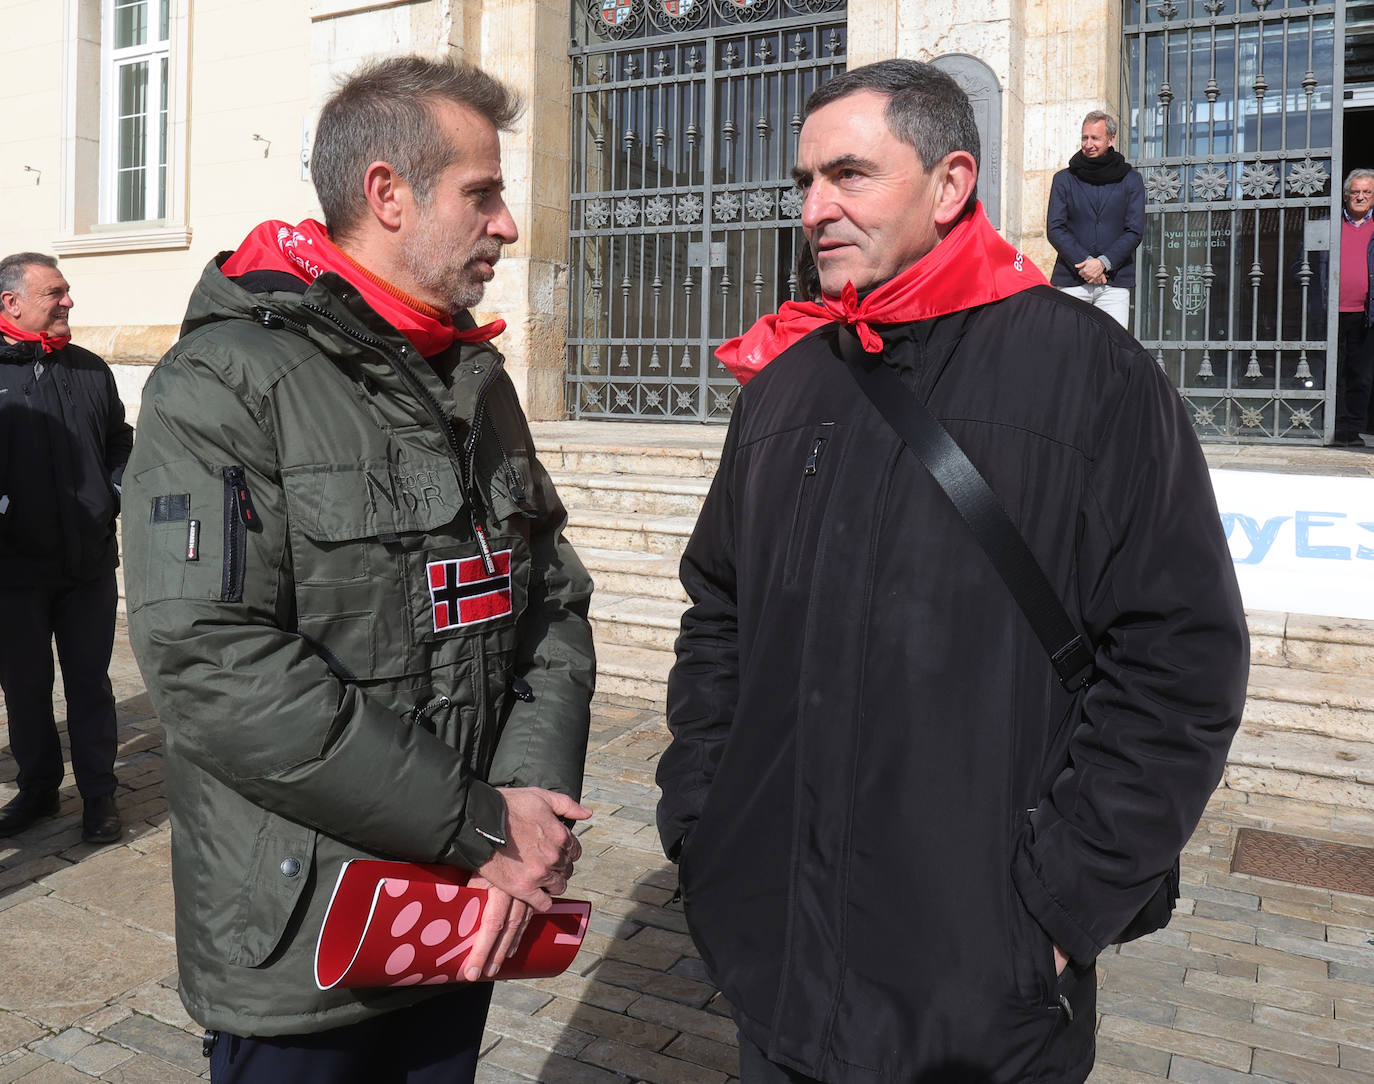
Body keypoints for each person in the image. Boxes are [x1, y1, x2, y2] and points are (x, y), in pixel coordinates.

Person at [657, 60, 1248, 1083]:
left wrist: (1065, 902)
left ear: (949, 182)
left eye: (849, 175)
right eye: (804, 181)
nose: (814, 208)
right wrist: (705, 812)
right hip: (779, 974)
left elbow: (1180, 658)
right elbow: (721, 606)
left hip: (979, 1000)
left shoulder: (1092, 376)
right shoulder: (785, 385)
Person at [121, 56, 596, 1083]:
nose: (509, 224)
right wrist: (482, 822)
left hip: (462, 915)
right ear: (388, 194)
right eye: (483, 193)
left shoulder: (473, 379)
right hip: (308, 946)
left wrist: (529, 789)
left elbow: (550, 599)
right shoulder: (224, 382)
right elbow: (213, 667)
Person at [0, 252, 130, 845]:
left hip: (88, 567)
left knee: (90, 684)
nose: (68, 302)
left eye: (67, 291)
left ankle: (100, 796)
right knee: (25, 686)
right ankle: (39, 789)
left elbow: (118, 444)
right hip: (12, 573)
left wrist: (115, 490)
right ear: (13, 304)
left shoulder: (90, 369)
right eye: (55, 293)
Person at [1046, 110, 1145, 329]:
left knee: (1112, 352)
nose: (1088, 144)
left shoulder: (1132, 180)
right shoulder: (1064, 179)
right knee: (1069, 350)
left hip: (1115, 282)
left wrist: (1103, 264)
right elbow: (1055, 228)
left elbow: (1134, 230)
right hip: (1072, 279)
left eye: (1095, 138)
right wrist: (1087, 266)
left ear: (1111, 140)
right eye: (1085, 137)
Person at [1333, 168, 1374, 447]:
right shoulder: (1330, 225)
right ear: (1346, 195)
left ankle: (1351, 431)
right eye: (1355, 191)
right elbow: (1301, 264)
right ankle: (1329, 427)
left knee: (1360, 375)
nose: (1360, 196)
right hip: (1330, 314)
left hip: (1366, 315)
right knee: (1331, 373)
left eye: (1367, 192)